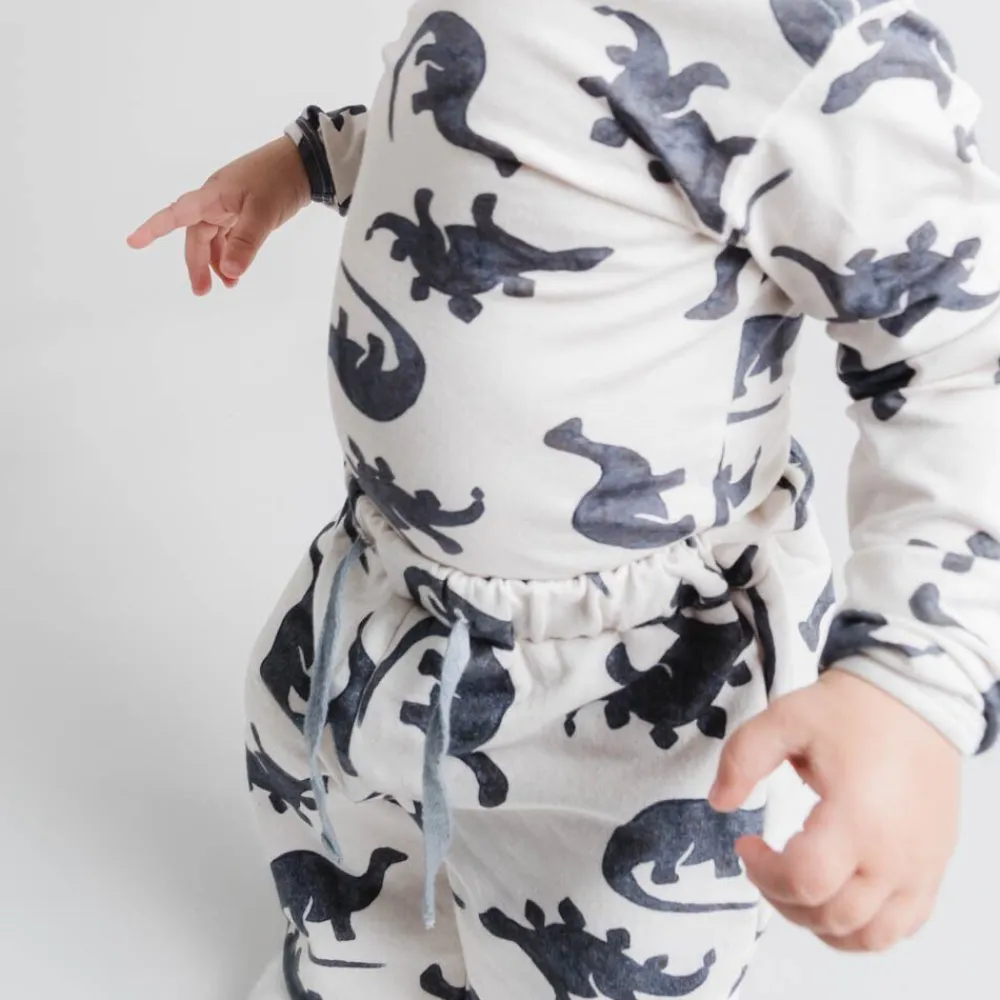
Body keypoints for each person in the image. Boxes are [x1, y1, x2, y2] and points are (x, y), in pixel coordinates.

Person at [126, 1, 1000, 997]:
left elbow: (964, 352)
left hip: (635, 692)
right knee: (342, 882)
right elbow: (491, 125)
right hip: (378, 597)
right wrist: (309, 162)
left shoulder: (803, 39)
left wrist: (913, 683)